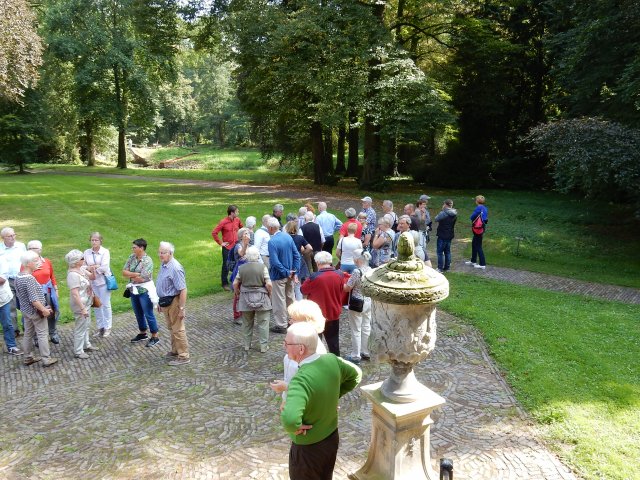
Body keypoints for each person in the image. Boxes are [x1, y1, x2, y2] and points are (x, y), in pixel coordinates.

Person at [280, 321, 362, 480]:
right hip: (331, 439)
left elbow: (289, 420)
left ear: (301, 349)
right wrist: (333, 396)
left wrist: (294, 427)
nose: (284, 345)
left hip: (307, 449)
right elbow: (356, 374)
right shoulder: (332, 360)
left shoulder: (300, 380)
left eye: (287, 343)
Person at [269, 300, 326, 409]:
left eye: (293, 319)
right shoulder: (299, 342)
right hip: (293, 401)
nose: (289, 322)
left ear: (306, 322)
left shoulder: (316, 352)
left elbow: (314, 389)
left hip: (304, 408)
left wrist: (286, 387)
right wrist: (285, 399)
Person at [15, 251, 58, 367]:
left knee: (28, 334)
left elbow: (20, 295)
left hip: (26, 311)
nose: (38, 262)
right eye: (35, 261)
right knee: (42, 334)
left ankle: (27, 357)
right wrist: (43, 310)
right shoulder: (29, 279)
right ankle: (46, 358)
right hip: (35, 312)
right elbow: (34, 300)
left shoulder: (18, 275)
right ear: (28, 264)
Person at [300, 251, 346, 356]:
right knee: (334, 343)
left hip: (317, 315)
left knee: (315, 344)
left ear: (317, 263)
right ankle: (336, 363)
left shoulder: (314, 277)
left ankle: (316, 364)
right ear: (330, 262)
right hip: (334, 312)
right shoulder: (339, 274)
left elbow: (303, 290)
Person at [156, 241, 190, 366]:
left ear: (170, 253)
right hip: (165, 301)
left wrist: (181, 308)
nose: (160, 255)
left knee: (178, 329)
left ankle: (183, 356)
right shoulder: (164, 264)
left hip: (174, 302)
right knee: (171, 328)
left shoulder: (175, 268)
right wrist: (160, 301)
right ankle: (175, 351)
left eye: (163, 253)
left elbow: (183, 289)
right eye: (159, 252)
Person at [233, 246, 272, 353]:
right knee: (263, 323)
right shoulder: (263, 267)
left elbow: (235, 283)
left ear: (247, 256)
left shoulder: (242, 268)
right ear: (258, 255)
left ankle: (246, 345)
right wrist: (269, 294)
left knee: (246, 323)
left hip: (245, 297)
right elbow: (268, 284)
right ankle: (264, 346)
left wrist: (237, 293)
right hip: (262, 297)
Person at [123, 238, 160, 347]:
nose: (132, 249)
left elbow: (143, 278)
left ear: (141, 248)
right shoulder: (131, 257)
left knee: (148, 313)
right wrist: (136, 274)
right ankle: (143, 333)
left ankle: (155, 336)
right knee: (138, 313)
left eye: (134, 247)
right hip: (134, 290)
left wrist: (132, 275)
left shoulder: (148, 261)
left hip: (144, 291)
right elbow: (124, 272)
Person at [267, 218, 301, 334]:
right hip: (289, 274)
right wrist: (294, 271)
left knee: (279, 300)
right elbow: (297, 255)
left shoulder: (272, 242)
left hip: (279, 275)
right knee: (290, 297)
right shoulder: (288, 237)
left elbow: (275, 262)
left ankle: (281, 325)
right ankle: (294, 320)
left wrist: (287, 272)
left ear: (271, 228)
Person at [65, 249, 99, 360]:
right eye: (82, 258)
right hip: (80, 305)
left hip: (87, 302)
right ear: (75, 261)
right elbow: (75, 294)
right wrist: (82, 308)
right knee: (80, 327)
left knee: (86, 325)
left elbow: (92, 277)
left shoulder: (81, 269)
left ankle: (86, 344)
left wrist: (93, 270)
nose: (84, 260)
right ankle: (78, 351)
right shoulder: (73, 275)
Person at [26, 240, 61, 345]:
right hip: (35, 293)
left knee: (51, 312)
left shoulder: (47, 261)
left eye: (34, 248)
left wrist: (56, 289)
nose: (31, 250)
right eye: (29, 248)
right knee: (38, 314)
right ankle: (37, 338)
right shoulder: (27, 264)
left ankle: (53, 333)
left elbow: (52, 276)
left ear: (40, 250)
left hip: (49, 291)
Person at [343, 249, 372, 364]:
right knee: (366, 327)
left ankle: (356, 355)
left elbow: (347, 288)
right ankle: (366, 351)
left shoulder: (356, 272)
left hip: (357, 302)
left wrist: (343, 283)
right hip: (368, 301)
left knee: (356, 329)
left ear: (357, 259)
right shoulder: (370, 270)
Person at [83, 232, 113, 338]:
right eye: (92, 240)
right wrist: (93, 267)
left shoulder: (105, 252)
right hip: (92, 282)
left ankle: (108, 327)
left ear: (100, 241)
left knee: (105, 304)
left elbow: (105, 267)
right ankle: (100, 327)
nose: (94, 242)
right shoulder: (86, 252)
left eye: (96, 240)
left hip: (103, 282)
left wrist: (92, 268)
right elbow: (83, 266)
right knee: (96, 305)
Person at [0, 227, 26, 337]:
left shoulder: (21, 246)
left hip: (21, 278)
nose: (13, 238)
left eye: (14, 235)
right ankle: (15, 330)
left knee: (25, 304)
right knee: (11, 306)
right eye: (9, 236)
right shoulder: (0, 249)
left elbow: (26, 260)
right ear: (3, 238)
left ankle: (27, 327)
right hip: (8, 281)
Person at [212, 205, 243, 291]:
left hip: (236, 246)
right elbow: (214, 233)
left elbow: (242, 229)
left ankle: (237, 280)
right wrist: (221, 243)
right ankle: (224, 283)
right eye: (237, 211)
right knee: (226, 265)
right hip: (227, 247)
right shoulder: (223, 222)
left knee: (238, 263)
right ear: (232, 213)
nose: (238, 213)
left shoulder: (237, 220)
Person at [284, 221, 312, 301]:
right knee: (298, 282)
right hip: (298, 260)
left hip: (287, 260)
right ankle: (299, 302)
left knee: (288, 283)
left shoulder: (285, 238)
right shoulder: (300, 237)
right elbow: (310, 248)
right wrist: (302, 253)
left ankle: (290, 302)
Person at [0, 256, 22, 355]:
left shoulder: (2, 260)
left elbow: (2, 279)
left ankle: (11, 346)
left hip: (2, 299)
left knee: (7, 323)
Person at [230, 227, 252, 325]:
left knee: (246, 292)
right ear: (241, 236)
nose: (247, 235)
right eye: (245, 233)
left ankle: (244, 313)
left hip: (248, 271)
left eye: (248, 233)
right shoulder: (238, 246)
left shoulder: (250, 245)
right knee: (237, 294)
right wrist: (246, 244)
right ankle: (237, 316)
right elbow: (242, 253)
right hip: (239, 272)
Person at [466, 195, 489, 270]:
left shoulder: (479, 208)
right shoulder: (485, 208)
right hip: (481, 228)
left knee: (478, 245)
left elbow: (472, 217)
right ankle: (473, 261)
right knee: (474, 243)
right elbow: (485, 219)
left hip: (477, 228)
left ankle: (482, 264)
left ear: (477, 201)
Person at [435, 199, 458, 273]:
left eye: (443, 204)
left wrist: (442, 211)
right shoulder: (454, 213)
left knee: (440, 252)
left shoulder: (443, 213)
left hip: (442, 234)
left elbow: (436, 219)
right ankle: (447, 267)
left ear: (445, 204)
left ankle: (440, 268)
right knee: (447, 251)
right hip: (450, 234)